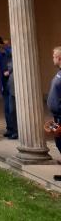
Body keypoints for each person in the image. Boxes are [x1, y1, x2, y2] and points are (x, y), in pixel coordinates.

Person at [0, 37, 17, 139]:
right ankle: (9, 129)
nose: (4, 44)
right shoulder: (2, 55)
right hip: (4, 86)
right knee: (6, 109)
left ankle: (16, 131)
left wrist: (7, 47)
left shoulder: (12, 53)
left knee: (12, 109)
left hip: (12, 85)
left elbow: (12, 55)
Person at [47, 45, 61, 182]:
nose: (52, 59)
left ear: (59, 58)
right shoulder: (58, 73)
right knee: (58, 142)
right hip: (57, 116)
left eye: (53, 56)